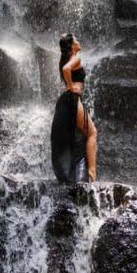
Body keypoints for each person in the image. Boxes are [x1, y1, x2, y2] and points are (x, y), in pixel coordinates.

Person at [51, 32, 97, 183]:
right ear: (71, 46)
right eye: (76, 40)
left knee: (75, 138)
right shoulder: (75, 58)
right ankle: (92, 174)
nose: (78, 41)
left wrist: (69, 87)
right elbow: (66, 69)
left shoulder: (64, 59)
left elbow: (64, 68)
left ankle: (77, 175)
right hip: (73, 99)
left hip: (66, 99)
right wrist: (72, 87)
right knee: (92, 133)